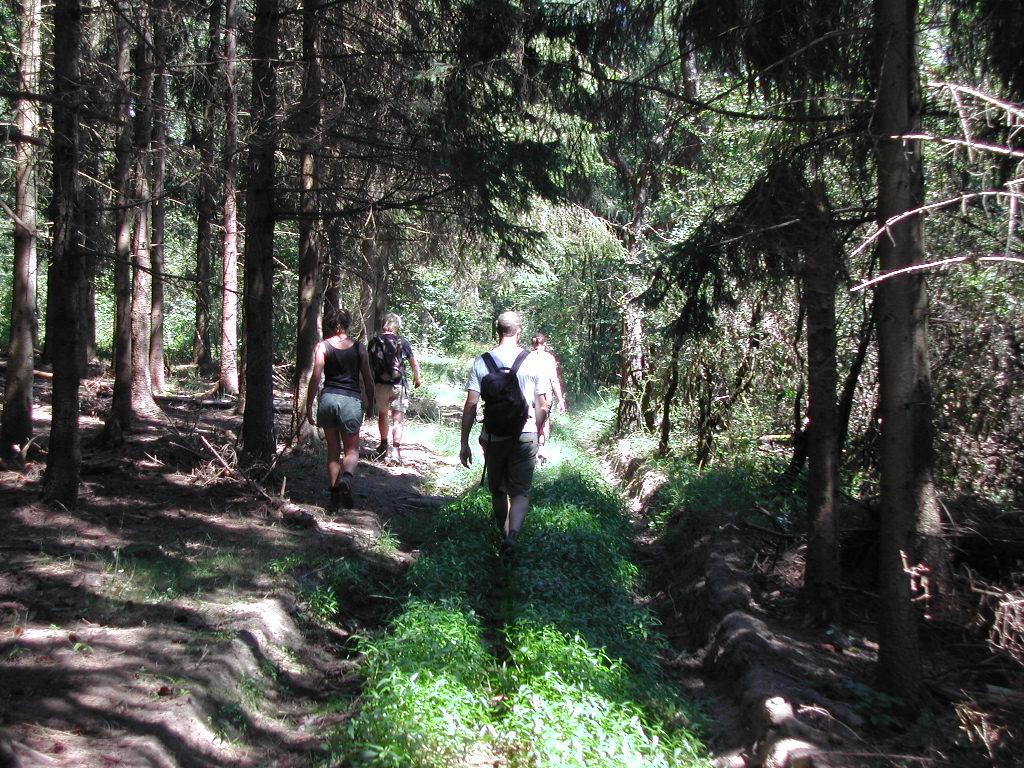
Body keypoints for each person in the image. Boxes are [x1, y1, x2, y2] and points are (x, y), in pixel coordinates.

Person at [460, 311, 550, 554]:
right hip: (526, 434)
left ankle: (503, 532)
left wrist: (464, 442)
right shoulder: (533, 361)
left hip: (493, 435)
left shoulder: (482, 362)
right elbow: (542, 405)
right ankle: (513, 536)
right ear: (520, 331)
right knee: (520, 491)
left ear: (496, 331)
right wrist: (538, 431)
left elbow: (471, 404)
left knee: (498, 490)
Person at [306, 306, 374, 510]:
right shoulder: (359, 347)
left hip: (328, 400)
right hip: (350, 401)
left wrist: (309, 404)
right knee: (352, 450)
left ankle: (334, 497)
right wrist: (371, 403)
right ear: (347, 324)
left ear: (330, 324)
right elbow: (368, 379)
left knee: (333, 451)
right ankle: (346, 478)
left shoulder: (322, 346)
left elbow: (316, 376)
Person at [370, 313, 422, 465]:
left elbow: (368, 364)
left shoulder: (374, 342)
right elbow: (414, 363)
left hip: (380, 385)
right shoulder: (403, 342)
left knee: (382, 414)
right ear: (396, 326)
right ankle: (396, 452)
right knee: (398, 419)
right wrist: (417, 378)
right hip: (398, 385)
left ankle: (384, 444)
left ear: (383, 324)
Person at [529, 332, 566, 460]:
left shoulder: (527, 357)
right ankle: (541, 450)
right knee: (544, 422)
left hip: (531, 395)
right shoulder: (549, 358)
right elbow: (554, 380)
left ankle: (532, 452)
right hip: (546, 395)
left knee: (531, 422)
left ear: (532, 344)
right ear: (544, 344)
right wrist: (561, 400)